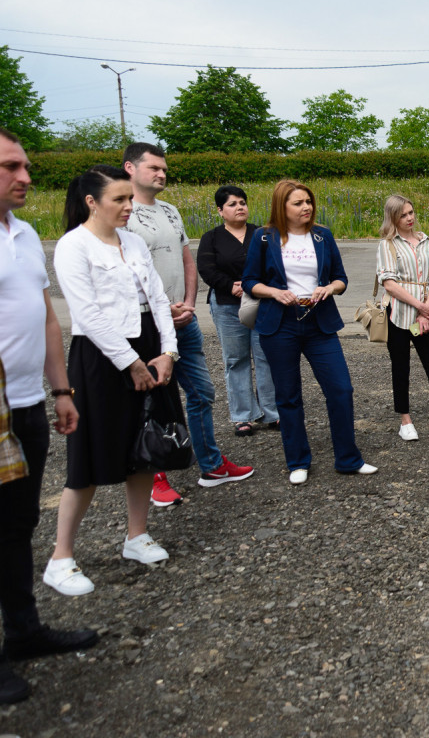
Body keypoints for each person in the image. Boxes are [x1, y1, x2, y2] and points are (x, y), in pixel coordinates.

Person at [46, 164, 185, 597]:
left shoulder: (133, 241)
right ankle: (61, 557)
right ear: (92, 201)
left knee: (146, 446)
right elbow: (86, 313)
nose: (129, 207)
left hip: (149, 348)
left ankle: (136, 536)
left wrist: (167, 351)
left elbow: (159, 299)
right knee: (88, 456)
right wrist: (131, 362)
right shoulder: (73, 246)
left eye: (130, 199)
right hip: (101, 357)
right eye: (119, 200)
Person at [0, 129, 98, 705]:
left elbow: (46, 319)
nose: (27, 177)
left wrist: (60, 390)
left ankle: (24, 631)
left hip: (28, 405)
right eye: (12, 166)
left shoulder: (25, 234)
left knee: (16, 528)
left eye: (26, 165)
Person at [123, 144, 252, 497]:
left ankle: (210, 465)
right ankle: (155, 475)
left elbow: (187, 260)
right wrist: (165, 309)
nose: (162, 174)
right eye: (153, 168)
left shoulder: (170, 211)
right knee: (153, 398)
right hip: (146, 321)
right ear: (130, 168)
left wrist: (189, 304)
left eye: (164, 168)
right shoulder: (123, 212)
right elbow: (125, 271)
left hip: (184, 320)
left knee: (201, 393)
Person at [242, 180, 376, 485]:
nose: (306, 207)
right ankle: (298, 461)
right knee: (288, 396)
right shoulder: (264, 237)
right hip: (280, 324)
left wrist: (329, 287)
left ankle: (348, 459)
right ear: (282, 207)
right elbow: (250, 281)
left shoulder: (322, 235)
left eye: (308, 202)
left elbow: (341, 278)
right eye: (298, 203)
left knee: (341, 389)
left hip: (319, 322)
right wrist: (275, 292)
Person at [375, 194, 429, 440]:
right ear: (393, 218)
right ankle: (405, 421)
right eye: (403, 215)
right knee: (401, 369)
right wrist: (420, 307)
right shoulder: (388, 245)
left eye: (411, 212)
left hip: (424, 318)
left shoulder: (426, 241)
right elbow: (389, 284)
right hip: (398, 317)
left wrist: (427, 309)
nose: (409, 218)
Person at [197, 185, 278, 442]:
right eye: (232, 204)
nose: (239, 207)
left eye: (242, 202)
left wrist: (251, 286)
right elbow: (206, 269)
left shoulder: (263, 234)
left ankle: (272, 412)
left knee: (266, 356)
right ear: (220, 211)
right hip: (226, 305)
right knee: (236, 359)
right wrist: (229, 285)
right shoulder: (211, 238)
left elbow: (274, 264)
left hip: (260, 303)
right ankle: (243, 415)